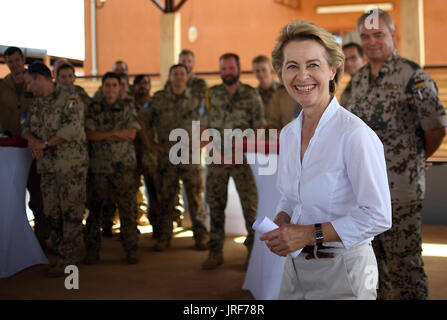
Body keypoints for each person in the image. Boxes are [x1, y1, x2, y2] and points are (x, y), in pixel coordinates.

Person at [259, 20, 392, 300]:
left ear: (333, 70)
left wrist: (308, 234)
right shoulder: (289, 134)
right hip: (295, 270)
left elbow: (378, 215)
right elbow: (290, 196)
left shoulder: (355, 134)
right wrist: (282, 219)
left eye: (313, 65)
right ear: (281, 73)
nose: (302, 76)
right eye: (292, 66)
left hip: (344, 272)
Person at [348, 9, 447, 300]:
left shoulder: (412, 77)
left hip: (400, 190)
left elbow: (436, 129)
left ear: (393, 35)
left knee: (405, 267)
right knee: (373, 266)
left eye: (378, 34)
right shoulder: (357, 81)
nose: (371, 42)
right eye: (365, 36)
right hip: (365, 192)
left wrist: (413, 159)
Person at [22, 62, 88, 277]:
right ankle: (63, 253)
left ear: (39, 79)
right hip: (48, 168)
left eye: (29, 83)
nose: (28, 88)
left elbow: (72, 127)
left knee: (71, 211)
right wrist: (32, 140)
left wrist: (45, 143)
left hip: (70, 167)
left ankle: (69, 261)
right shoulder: (37, 103)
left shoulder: (69, 99)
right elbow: (26, 127)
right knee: (51, 212)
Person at [201, 53, 266, 269]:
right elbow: (203, 128)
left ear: (238, 69)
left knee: (251, 209)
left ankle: (253, 254)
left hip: (244, 160)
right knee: (215, 206)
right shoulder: (210, 94)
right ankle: (215, 252)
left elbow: (259, 128)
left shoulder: (251, 94)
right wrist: (217, 154)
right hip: (217, 160)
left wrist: (240, 154)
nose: (227, 72)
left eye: (231, 68)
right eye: (224, 69)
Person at [140, 64, 208, 251]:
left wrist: (203, 142)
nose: (178, 77)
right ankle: (164, 237)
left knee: (195, 198)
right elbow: (142, 121)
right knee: (166, 198)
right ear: (169, 77)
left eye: (181, 74)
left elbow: (210, 121)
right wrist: (150, 144)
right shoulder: (158, 99)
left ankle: (200, 236)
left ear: (187, 78)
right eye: (175, 74)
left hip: (191, 156)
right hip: (167, 156)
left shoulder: (197, 98)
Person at [84, 72, 141, 265]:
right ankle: (92, 251)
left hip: (123, 166)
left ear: (120, 87)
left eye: (114, 85)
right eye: (107, 85)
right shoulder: (94, 107)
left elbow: (132, 133)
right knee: (95, 210)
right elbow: (90, 134)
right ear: (102, 87)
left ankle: (131, 249)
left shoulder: (127, 106)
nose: (110, 89)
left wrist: (104, 134)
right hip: (99, 166)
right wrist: (117, 133)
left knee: (128, 209)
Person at [0, 47, 48, 250]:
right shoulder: (2, 86)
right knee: (9, 197)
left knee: (37, 196)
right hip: (10, 149)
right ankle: (13, 243)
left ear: (23, 59)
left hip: (33, 147)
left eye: (17, 60)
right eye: (10, 61)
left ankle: (42, 241)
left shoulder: (34, 82)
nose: (14, 64)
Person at [339, 42, 365, 107]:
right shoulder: (351, 84)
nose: (348, 63)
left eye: (353, 58)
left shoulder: (372, 81)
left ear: (363, 58)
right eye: (345, 59)